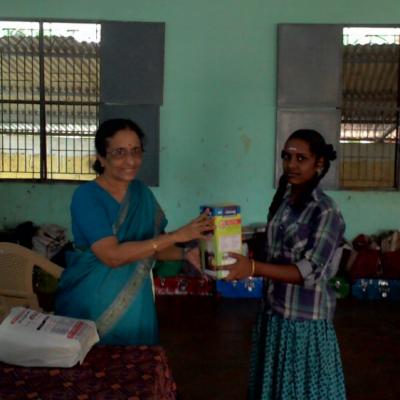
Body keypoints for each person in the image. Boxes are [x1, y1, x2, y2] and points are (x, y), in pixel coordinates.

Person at [55, 118, 213, 345]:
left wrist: (184, 253)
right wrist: (178, 236)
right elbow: (112, 256)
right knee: (91, 374)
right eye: (119, 152)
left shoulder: (142, 194)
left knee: (138, 371)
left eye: (136, 151)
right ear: (101, 157)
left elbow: (153, 248)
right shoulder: (87, 196)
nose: (130, 160)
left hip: (135, 307)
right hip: (91, 302)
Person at [226, 129, 346, 400]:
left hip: (304, 325)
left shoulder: (325, 210)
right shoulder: (285, 200)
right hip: (274, 316)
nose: (291, 164)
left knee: (303, 392)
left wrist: (253, 268)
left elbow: (310, 271)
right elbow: (274, 251)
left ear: (319, 164)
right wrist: (228, 246)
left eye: (301, 158)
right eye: (286, 156)